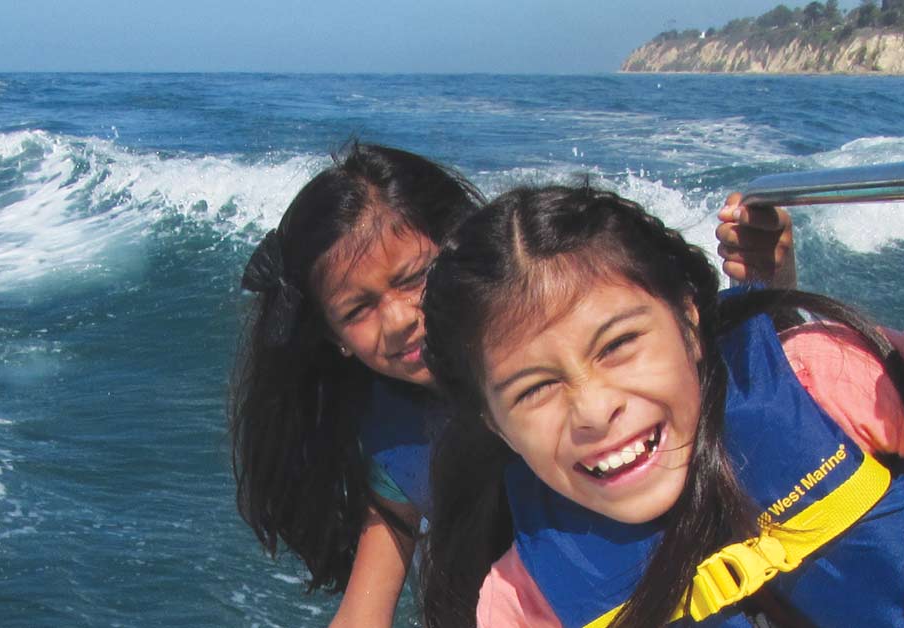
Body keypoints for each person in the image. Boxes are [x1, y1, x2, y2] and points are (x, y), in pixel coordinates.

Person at [416, 111, 904, 628]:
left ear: (691, 321)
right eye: (535, 388)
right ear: (494, 423)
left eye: (618, 345)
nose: (592, 409)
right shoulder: (525, 602)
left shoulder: (825, 384)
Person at [230, 141, 801, 626]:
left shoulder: (583, 348)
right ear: (333, 338)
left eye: (415, 279)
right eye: (358, 309)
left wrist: (772, 279)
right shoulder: (396, 446)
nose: (400, 318)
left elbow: (755, 379)